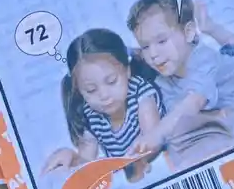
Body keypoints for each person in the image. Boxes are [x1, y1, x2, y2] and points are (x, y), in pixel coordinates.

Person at [126, 0, 234, 155]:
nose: (153, 54)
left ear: (188, 33)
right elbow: (178, 116)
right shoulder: (163, 78)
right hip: (225, 85)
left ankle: (210, 27)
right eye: (145, 46)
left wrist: (156, 135)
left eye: (162, 41)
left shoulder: (202, 59)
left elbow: (193, 103)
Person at [42, 28, 164, 178]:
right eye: (91, 90)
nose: (104, 95)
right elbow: (87, 160)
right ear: (79, 90)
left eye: (112, 81)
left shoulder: (141, 93)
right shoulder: (90, 115)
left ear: (127, 71)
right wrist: (72, 159)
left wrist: (138, 159)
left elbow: (153, 138)